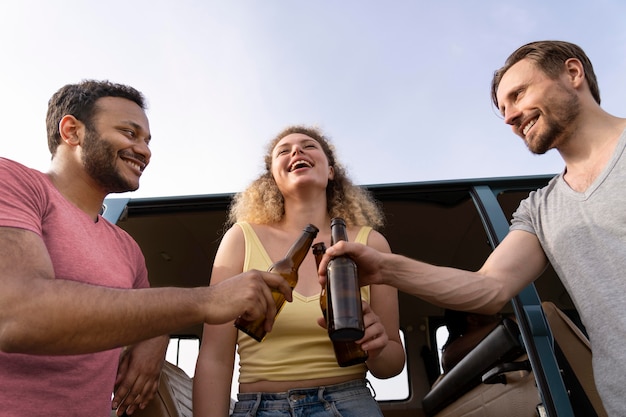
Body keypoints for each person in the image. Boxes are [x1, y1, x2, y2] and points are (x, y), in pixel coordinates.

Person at [318, 40, 626, 416]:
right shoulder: (540, 209)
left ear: (573, 73)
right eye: (503, 109)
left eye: (518, 94)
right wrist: (384, 268)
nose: (510, 117)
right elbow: (488, 288)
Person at [0, 80, 292, 417]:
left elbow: (144, 312)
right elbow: (16, 315)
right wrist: (207, 301)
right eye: (130, 133)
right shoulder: (15, 184)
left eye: (147, 140)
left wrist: (156, 339)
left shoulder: (127, 247)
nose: (145, 150)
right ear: (72, 131)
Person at [193, 125, 405, 417]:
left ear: (331, 170)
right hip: (260, 408)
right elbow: (215, 357)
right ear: (272, 177)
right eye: (284, 150)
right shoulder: (240, 239)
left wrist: (377, 347)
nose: (296, 151)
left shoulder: (372, 243)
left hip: (351, 404)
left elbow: (391, 365)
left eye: (308, 146)